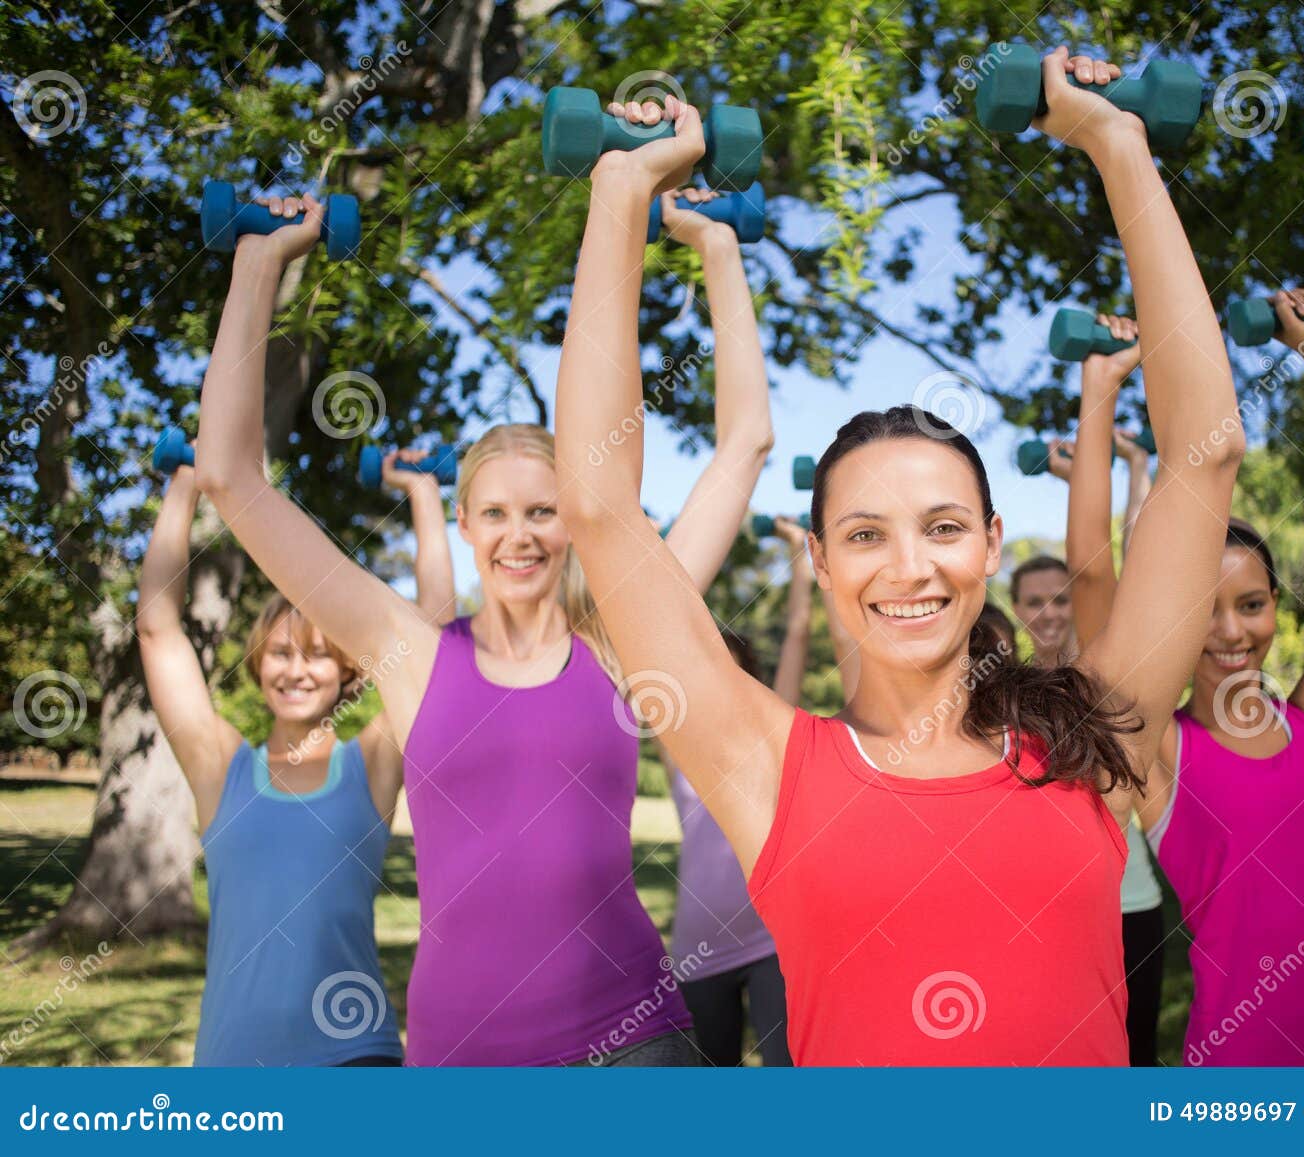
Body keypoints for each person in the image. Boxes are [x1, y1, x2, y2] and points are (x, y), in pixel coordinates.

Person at [552, 55, 1244, 1065]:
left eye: (944, 526)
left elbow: (1203, 453)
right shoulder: (765, 764)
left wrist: (1116, 143)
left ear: (993, 543)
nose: (908, 566)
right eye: (866, 534)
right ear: (821, 563)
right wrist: (619, 192)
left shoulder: (1092, 732)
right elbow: (600, 507)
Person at [194, 183, 773, 1066]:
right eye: (495, 513)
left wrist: (716, 248)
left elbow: (745, 446)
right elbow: (234, 477)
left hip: (633, 1042)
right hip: (462, 1051)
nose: (519, 535)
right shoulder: (409, 653)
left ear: (573, 520)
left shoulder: (620, 645)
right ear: (463, 523)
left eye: (543, 511)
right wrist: (260, 261)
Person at [1067, 292, 1304, 1066]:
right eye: (1204, 610)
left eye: (1251, 604)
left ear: (1275, 606)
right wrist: (1101, 392)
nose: (1232, 631)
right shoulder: (1157, 748)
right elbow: (1090, 578)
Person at [136, 453, 437, 1066]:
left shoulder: (370, 767)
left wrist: (423, 492)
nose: (297, 670)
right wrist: (189, 484)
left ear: (349, 670)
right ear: (257, 663)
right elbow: (157, 628)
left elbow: (431, 634)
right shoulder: (219, 766)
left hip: (355, 1060)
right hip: (232, 1066)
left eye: (318, 655)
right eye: (280, 653)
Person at [1037, 322, 1167, 1065]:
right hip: (1049, 910)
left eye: (1060, 600)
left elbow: (1103, 567)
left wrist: (1133, 462)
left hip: (1130, 902)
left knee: (1133, 1061)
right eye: (1035, 601)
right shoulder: (1010, 689)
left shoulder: (1105, 663)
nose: (1051, 612)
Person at [666, 515, 813, 1067]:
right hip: (698, 949)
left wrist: (799, 552)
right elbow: (659, 636)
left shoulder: (775, 736)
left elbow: (797, 632)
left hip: (772, 940)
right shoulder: (674, 740)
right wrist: (653, 556)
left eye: (729, 674)